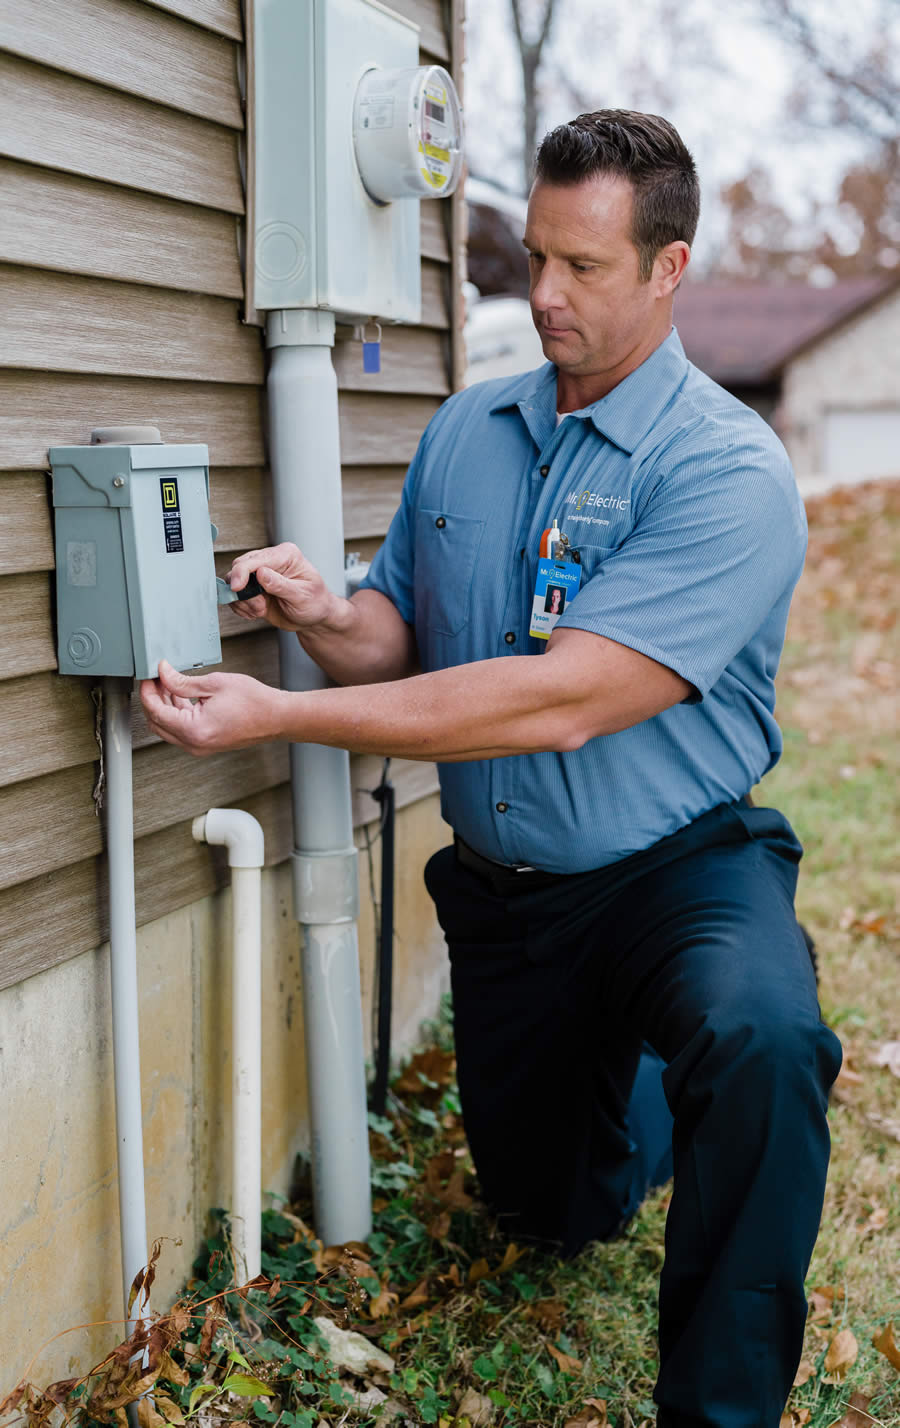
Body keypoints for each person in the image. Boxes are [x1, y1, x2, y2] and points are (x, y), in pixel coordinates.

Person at [142, 109, 842, 1427]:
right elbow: (397, 633)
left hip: (678, 868)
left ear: (669, 269)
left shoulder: (727, 471)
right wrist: (317, 615)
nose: (548, 293)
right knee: (549, 1212)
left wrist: (273, 721)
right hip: (511, 898)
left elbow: (564, 701)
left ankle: (722, 1403)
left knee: (761, 1037)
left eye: (585, 265)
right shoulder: (469, 432)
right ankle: (630, 1083)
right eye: (535, 256)